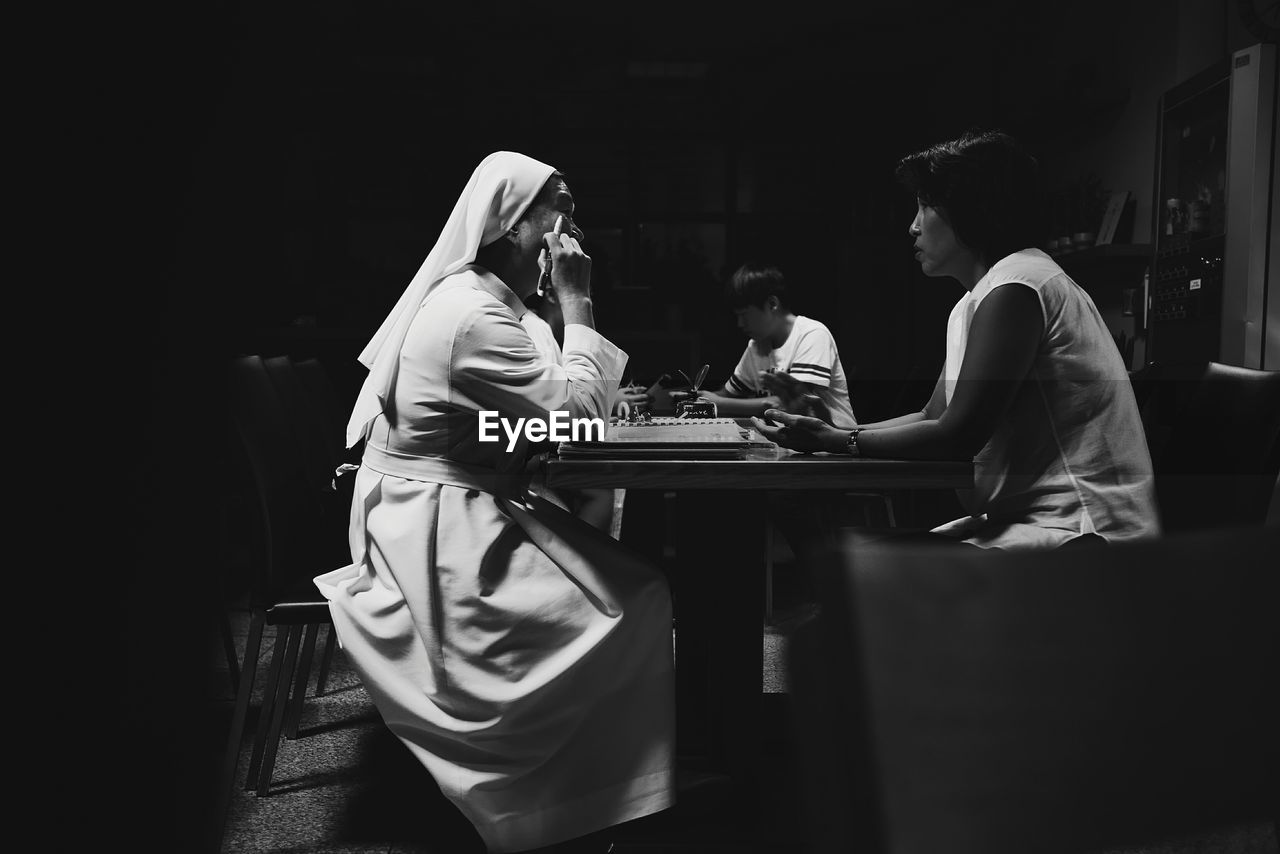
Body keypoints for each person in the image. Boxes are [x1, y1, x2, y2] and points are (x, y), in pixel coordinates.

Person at [315, 152, 675, 853]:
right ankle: (564, 800)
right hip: (436, 526)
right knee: (635, 598)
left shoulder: (487, 301)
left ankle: (591, 783)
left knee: (633, 585)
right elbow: (578, 422)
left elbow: (520, 414)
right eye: (560, 208)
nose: (575, 226)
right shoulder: (472, 313)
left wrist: (530, 424)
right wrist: (578, 300)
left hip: (457, 499)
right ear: (512, 224)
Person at [753, 130, 1160, 550]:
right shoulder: (979, 297)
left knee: (859, 574)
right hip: (1033, 522)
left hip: (1083, 530)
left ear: (971, 211)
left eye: (926, 206)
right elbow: (934, 413)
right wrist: (840, 430)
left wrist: (835, 440)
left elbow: (959, 434)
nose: (912, 226)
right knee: (853, 565)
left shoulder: (1018, 285)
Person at [696, 262, 858, 429]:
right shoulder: (756, 346)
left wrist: (718, 403)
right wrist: (698, 399)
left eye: (744, 315)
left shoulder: (812, 333)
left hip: (835, 446)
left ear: (772, 304)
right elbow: (727, 394)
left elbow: (790, 402)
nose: (740, 324)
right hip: (792, 444)